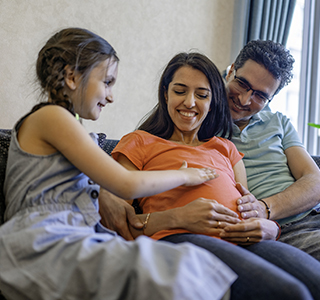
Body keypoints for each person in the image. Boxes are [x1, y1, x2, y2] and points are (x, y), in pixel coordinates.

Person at [0, 27, 242, 300]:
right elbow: (126, 185)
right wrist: (185, 175)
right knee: (181, 269)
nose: (111, 96)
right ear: (71, 77)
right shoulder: (52, 118)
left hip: (74, 235)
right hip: (43, 242)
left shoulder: (72, 126)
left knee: (186, 266)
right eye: (107, 82)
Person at [100, 52, 320, 300]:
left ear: (213, 100)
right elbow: (116, 222)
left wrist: (271, 227)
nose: (190, 103)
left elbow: (247, 205)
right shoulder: (139, 142)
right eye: (180, 91)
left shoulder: (226, 148)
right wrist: (178, 217)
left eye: (202, 95)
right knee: (291, 294)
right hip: (181, 237)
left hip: (246, 237)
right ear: (165, 93)